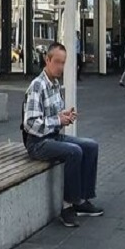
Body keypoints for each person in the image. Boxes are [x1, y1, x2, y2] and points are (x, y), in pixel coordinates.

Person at [22, 41, 103, 228]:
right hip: (37, 142)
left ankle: (82, 200)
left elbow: (54, 116)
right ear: (47, 60)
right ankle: (67, 206)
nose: (60, 67)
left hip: (52, 136)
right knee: (74, 152)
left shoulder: (55, 84)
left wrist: (65, 115)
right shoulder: (37, 86)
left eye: (63, 63)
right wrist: (58, 120)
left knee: (91, 146)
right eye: (57, 62)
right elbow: (30, 123)